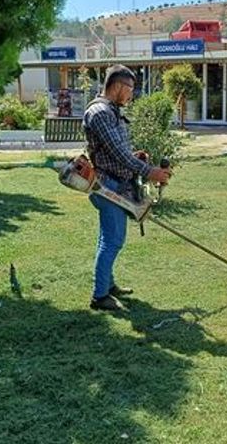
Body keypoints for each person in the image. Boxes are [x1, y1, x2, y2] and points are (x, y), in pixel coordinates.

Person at [83, 65, 171, 311]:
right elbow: (118, 154)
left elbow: (116, 152)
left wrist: (136, 156)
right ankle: (99, 296)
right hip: (107, 186)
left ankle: (108, 286)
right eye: (130, 88)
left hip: (115, 183)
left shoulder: (111, 111)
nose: (132, 94)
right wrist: (149, 171)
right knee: (112, 242)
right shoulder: (100, 112)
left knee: (107, 239)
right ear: (119, 86)